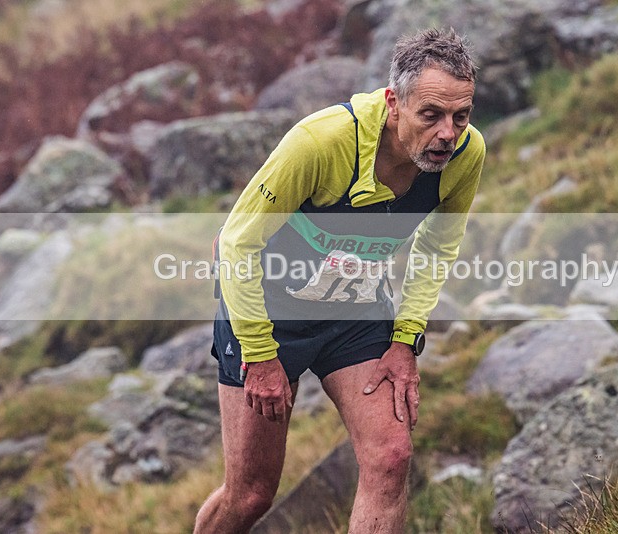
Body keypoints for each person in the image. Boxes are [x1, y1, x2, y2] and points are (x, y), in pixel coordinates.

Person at [194, 27, 485, 533]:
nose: (448, 134)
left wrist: (405, 339)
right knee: (251, 495)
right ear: (394, 104)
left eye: (461, 116)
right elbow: (237, 244)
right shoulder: (322, 142)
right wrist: (260, 357)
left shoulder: (465, 155)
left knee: (391, 457)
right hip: (268, 315)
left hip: (354, 311)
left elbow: (437, 248)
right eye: (431, 115)